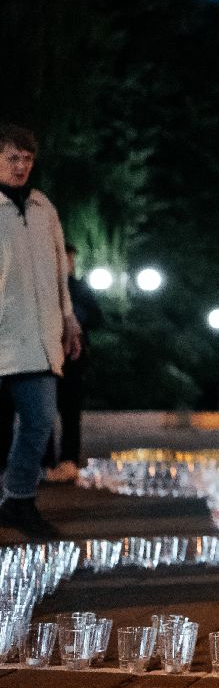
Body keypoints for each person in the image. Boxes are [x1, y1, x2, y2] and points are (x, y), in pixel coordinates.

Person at [0, 125, 81, 539]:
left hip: (40, 340)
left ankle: (19, 500)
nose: (21, 166)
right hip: (3, 339)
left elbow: (58, 270)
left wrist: (68, 318)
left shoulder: (42, 206)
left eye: (27, 159)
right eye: (13, 157)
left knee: (40, 421)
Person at [40, 244, 101, 482]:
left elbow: (97, 317)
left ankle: (69, 461)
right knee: (43, 412)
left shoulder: (79, 288)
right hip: (45, 356)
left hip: (73, 359)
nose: (68, 263)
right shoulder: (43, 286)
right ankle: (45, 462)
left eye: (70, 259)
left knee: (70, 412)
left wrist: (76, 318)